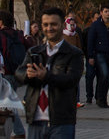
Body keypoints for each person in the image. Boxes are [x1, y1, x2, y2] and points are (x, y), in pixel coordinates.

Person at [15, 7, 85, 139]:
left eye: (53, 24)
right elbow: (19, 73)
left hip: (61, 120)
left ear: (62, 25)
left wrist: (46, 76)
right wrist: (27, 74)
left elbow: (71, 79)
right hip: (35, 120)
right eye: (45, 25)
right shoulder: (34, 51)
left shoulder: (74, 53)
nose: (49, 28)